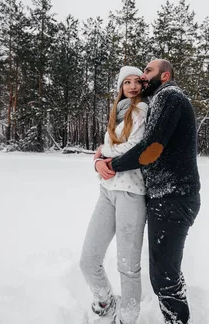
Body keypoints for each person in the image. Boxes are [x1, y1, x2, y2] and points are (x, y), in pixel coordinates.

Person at [95, 59, 201, 324]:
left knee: (163, 274)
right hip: (164, 196)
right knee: (166, 271)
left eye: (148, 71)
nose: (143, 76)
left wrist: (111, 165)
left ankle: (177, 321)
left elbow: (151, 150)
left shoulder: (169, 96)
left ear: (164, 76)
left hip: (174, 196)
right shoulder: (158, 101)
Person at [80, 66, 149, 324]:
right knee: (88, 260)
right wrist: (98, 160)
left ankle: (127, 319)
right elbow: (103, 148)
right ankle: (106, 302)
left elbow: (136, 147)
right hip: (106, 191)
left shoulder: (142, 110)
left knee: (128, 267)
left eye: (136, 82)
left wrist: (103, 155)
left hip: (130, 192)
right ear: (120, 88)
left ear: (142, 86)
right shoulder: (117, 114)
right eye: (126, 83)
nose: (131, 87)